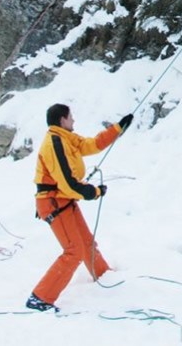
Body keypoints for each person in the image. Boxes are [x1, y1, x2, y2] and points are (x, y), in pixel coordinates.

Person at [26, 103, 134, 312]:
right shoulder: (54, 143)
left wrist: (117, 128)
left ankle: (104, 275)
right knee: (74, 251)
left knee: (85, 241)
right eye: (71, 117)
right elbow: (67, 182)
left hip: (63, 199)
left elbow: (91, 145)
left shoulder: (66, 138)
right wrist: (92, 192)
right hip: (53, 201)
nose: (73, 120)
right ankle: (40, 297)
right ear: (62, 120)